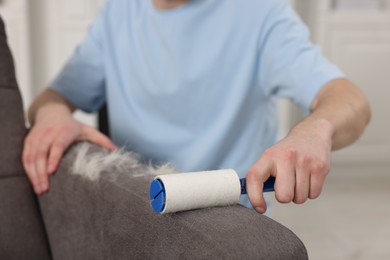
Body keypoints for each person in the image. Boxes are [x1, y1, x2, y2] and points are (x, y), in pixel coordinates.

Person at [23, 0, 371, 214]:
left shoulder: (260, 13)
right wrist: (53, 115)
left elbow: (350, 101)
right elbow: (51, 98)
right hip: (138, 206)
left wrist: (315, 130)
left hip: (225, 215)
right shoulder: (119, 10)